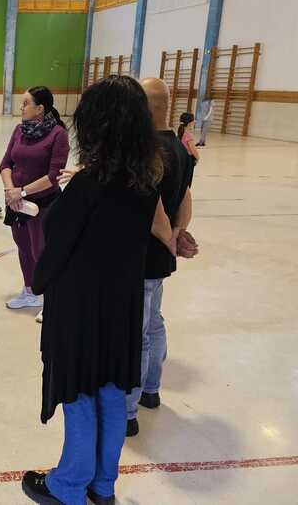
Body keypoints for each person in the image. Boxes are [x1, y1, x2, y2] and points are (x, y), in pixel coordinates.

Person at [20, 75, 171, 505]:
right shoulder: (144, 182)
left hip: (81, 307)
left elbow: (58, 247)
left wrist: (39, 281)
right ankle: (103, 485)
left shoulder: (89, 185)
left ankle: (68, 484)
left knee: (79, 391)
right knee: (110, 390)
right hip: (120, 305)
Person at [124, 79, 197, 439]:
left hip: (141, 256)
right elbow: (185, 197)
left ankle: (128, 411)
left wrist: (169, 238)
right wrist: (180, 232)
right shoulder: (180, 149)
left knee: (137, 332)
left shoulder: (146, 150)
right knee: (153, 322)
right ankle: (151, 389)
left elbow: (154, 210)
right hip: (158, 260)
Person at [0, 86, 68, 321]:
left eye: (25, 103)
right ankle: (29, 292)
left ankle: (51, 300)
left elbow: (53, 176)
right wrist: (10, 191)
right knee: (24, 247)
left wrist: (22, 191)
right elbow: (6, 163)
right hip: (18, 204)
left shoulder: (58, 135)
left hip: (44, 205)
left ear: (40, 109)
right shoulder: (19, 130)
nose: (21, 107)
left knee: (43, 252)